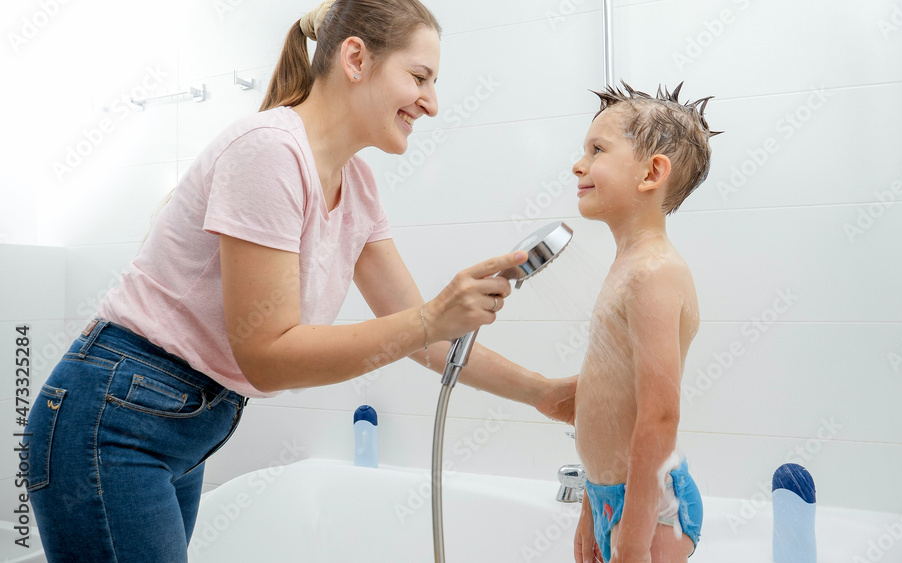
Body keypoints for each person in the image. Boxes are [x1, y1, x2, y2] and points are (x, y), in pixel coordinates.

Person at [24, 1, 576, 561]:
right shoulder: (269, 151)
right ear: (355, 58)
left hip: (176, 426)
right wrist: (432, 316)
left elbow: (425, 339)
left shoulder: (356, 186)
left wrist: (546, 394)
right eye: (419, 77)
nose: (432, 103)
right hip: (114, 421)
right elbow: (267, 353)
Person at [570, 82, 721, 563]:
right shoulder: (628, 266)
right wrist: (590, 509)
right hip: (616, 496)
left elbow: (659, 415)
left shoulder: (655, 272)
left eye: (597, 150)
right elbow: (611, 405)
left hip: (653, 510)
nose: (579, 164)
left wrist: (634, 537)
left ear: (652, 173)